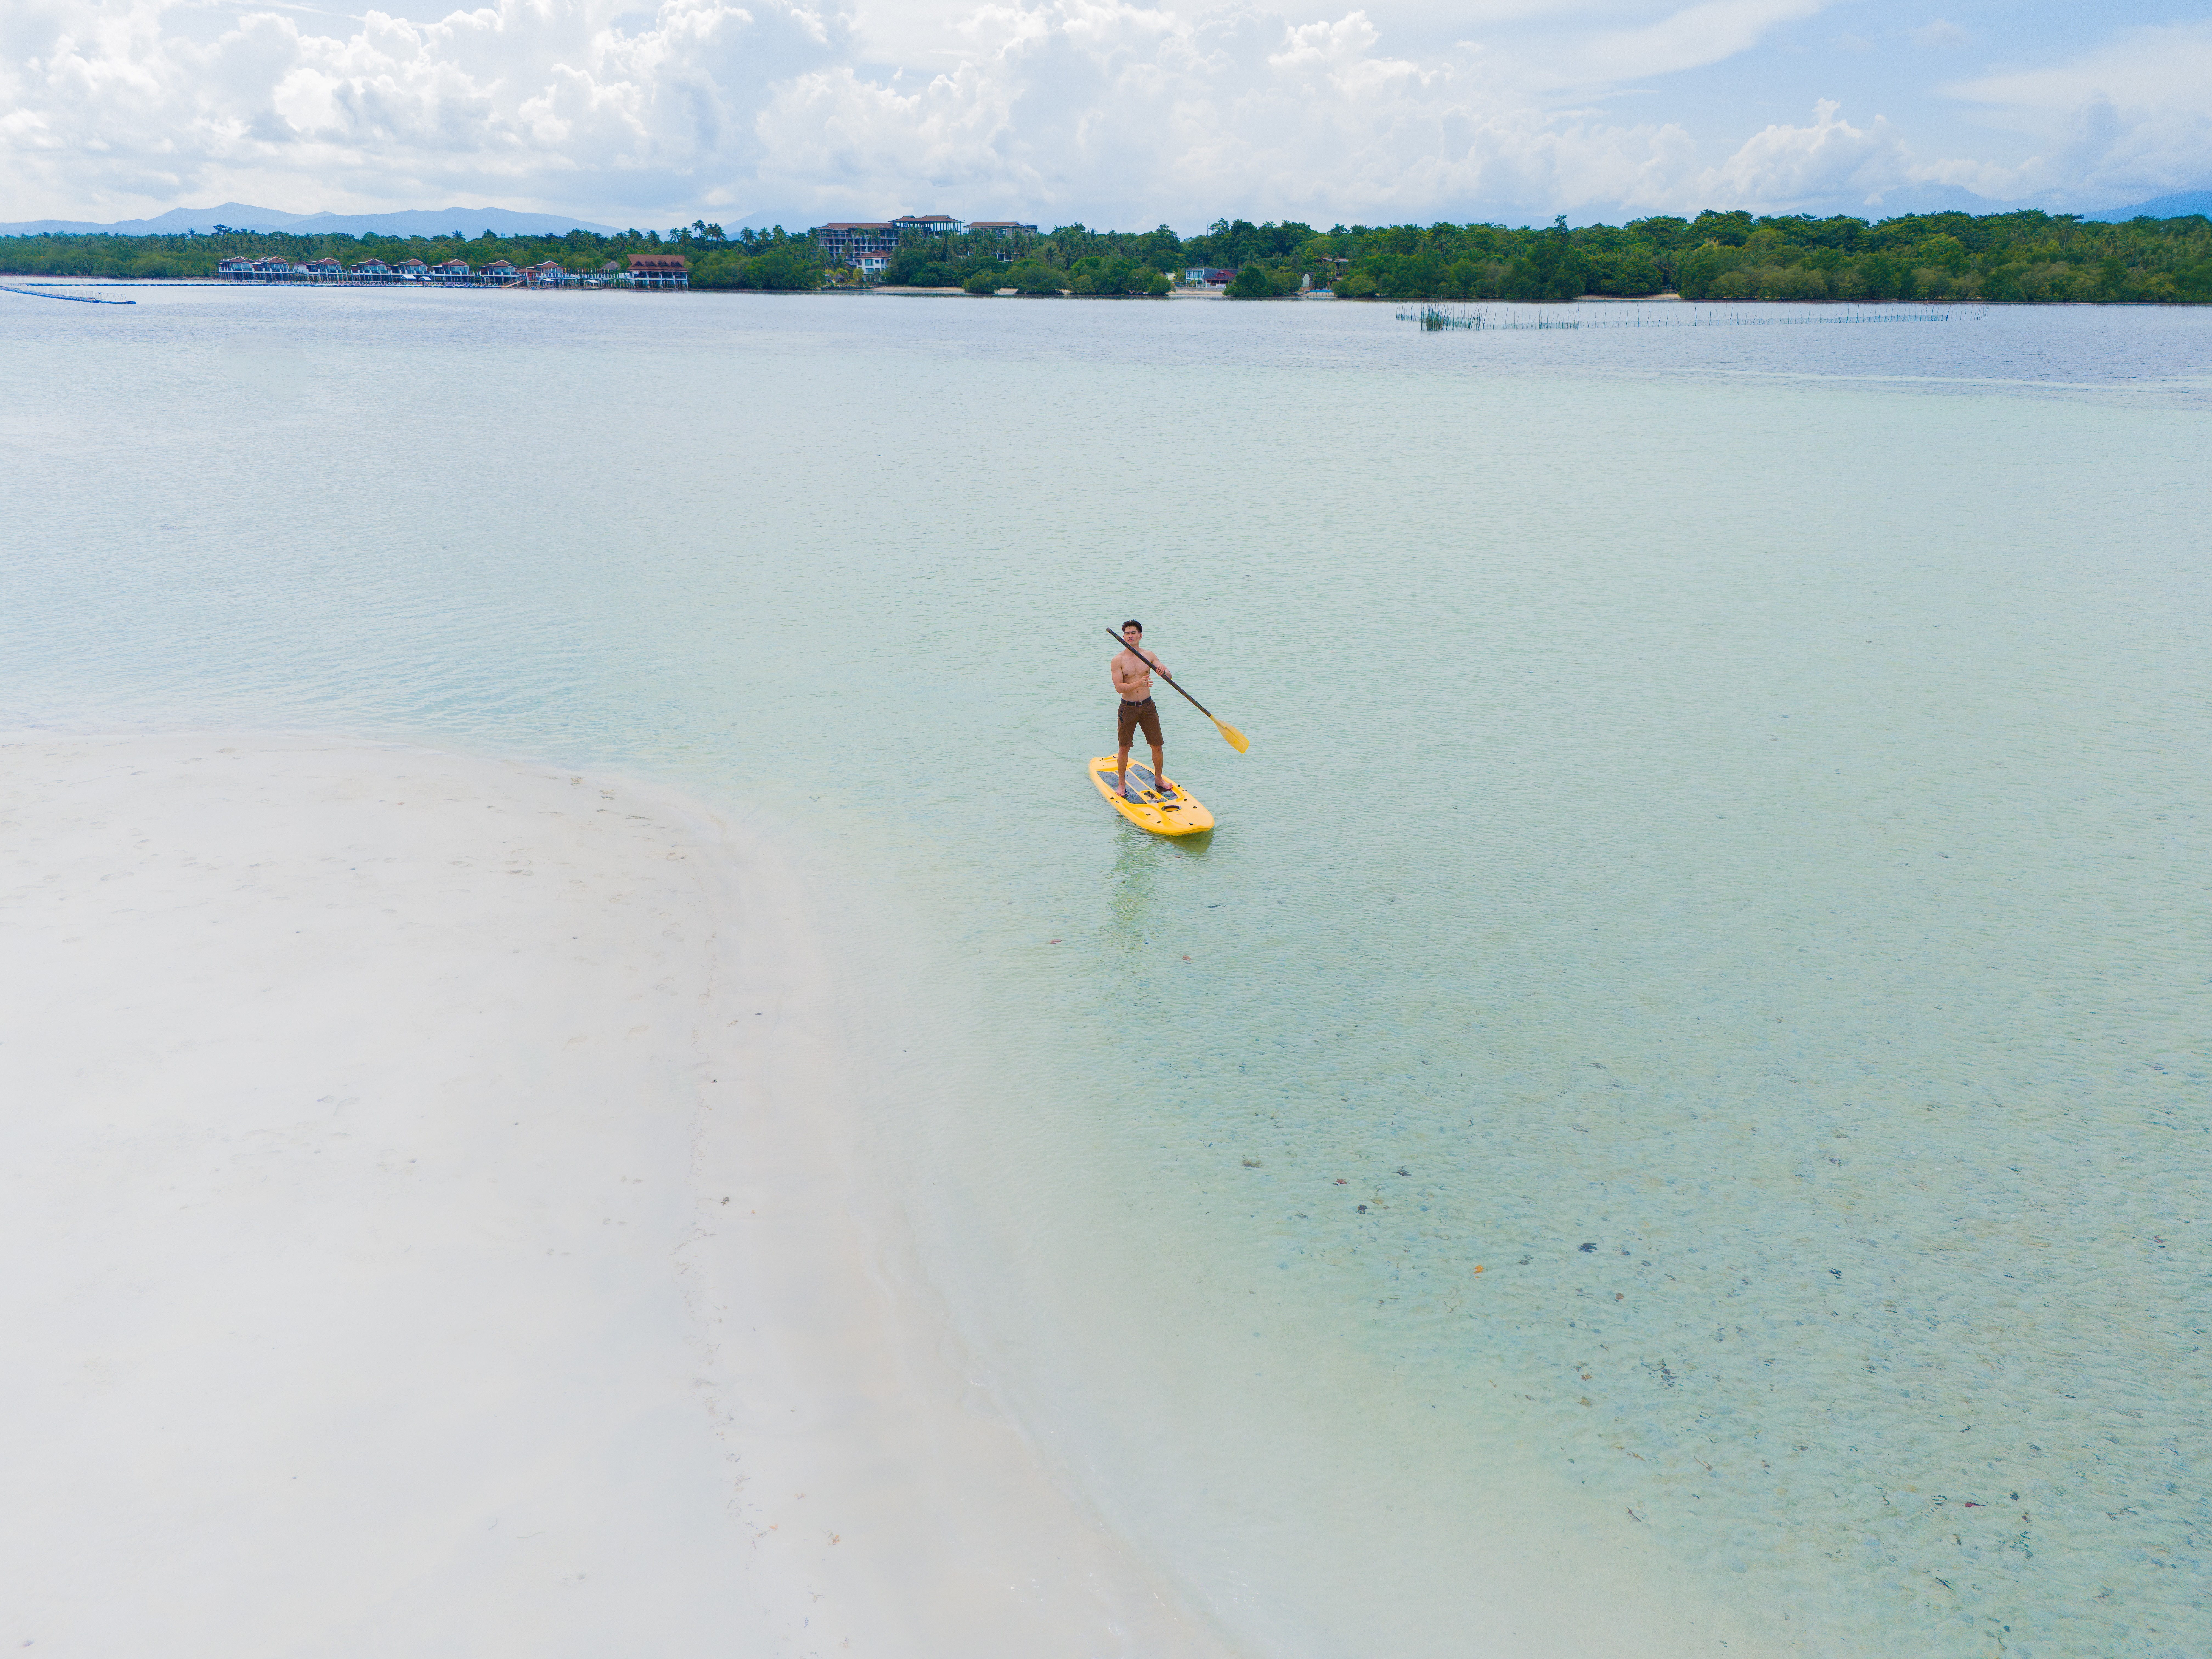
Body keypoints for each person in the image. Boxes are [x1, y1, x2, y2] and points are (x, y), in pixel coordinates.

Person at [1110, 620, 1172, 799]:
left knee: (1157, 745)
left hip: (1148, 707)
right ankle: (1122, 785)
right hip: (1127, 708)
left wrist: (1163, 671)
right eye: (1127, 633)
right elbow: (1119, 688)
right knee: (1124, 747)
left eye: (1134, 633)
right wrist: (1138, 683)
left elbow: (1169, 675)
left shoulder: (1149, 655)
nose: (1130, 636)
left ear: (1140, 636)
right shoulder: (1118, 660)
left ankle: (1159, 780)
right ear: (1124, 637)